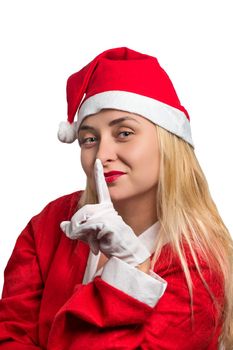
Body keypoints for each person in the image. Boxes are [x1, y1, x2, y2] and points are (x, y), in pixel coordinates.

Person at [0, 47, 232, 350]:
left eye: (123, 133)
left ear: (168, 143)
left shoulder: (198, 269)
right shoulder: (52, 223)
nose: (102, 155)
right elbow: (10, 334)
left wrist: (131, 268)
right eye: (89, 139)